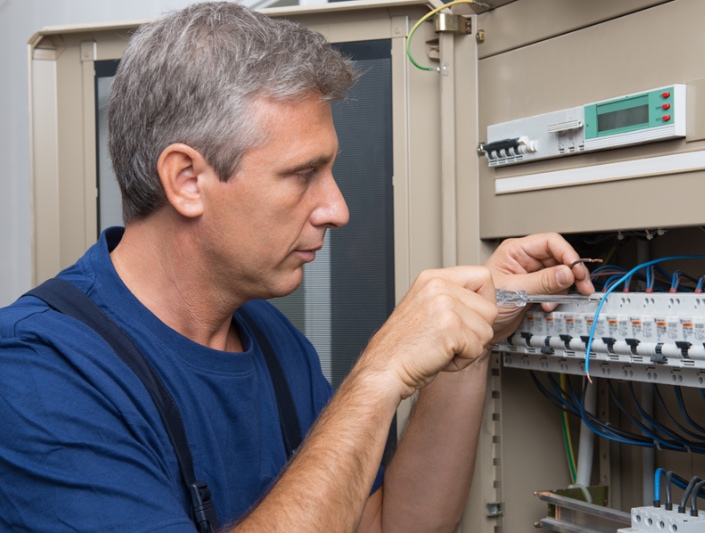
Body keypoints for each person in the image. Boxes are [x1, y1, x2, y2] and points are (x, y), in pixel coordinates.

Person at [0, 3, 593, 532]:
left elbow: (390, 525)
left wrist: (473, 334)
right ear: (186, 181)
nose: (337, 209)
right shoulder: (38, 372)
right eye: (303, 174)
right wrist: (377, 375)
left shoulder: (272, 340)